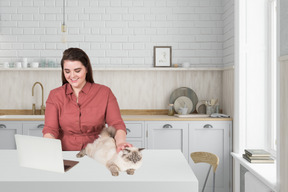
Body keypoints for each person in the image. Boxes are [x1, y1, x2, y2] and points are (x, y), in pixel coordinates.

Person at [42, 47, 132, 153]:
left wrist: (120, 142)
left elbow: (117, 124)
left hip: (98, 153)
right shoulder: (55, 95)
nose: (72, 76)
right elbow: (50, 130)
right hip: (66, 154)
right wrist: (50, 148)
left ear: (86, 69)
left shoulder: (104, 93)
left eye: (77, 71)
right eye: (67, 71)